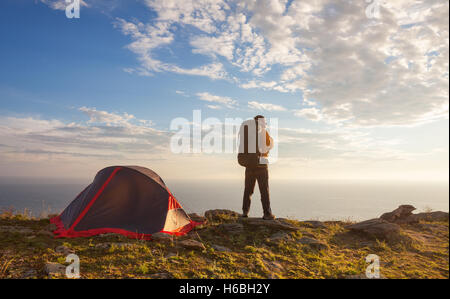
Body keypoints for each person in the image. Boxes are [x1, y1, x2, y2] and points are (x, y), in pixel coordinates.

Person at [242, 115, 275, 220]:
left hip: (250, 166)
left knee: (248, 190)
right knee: (264, 190)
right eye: (265, 122)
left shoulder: (248, 133)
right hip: (261, 165)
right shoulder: (263, 132)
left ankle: (245, 212)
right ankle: (267, 213)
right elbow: (269, 145)